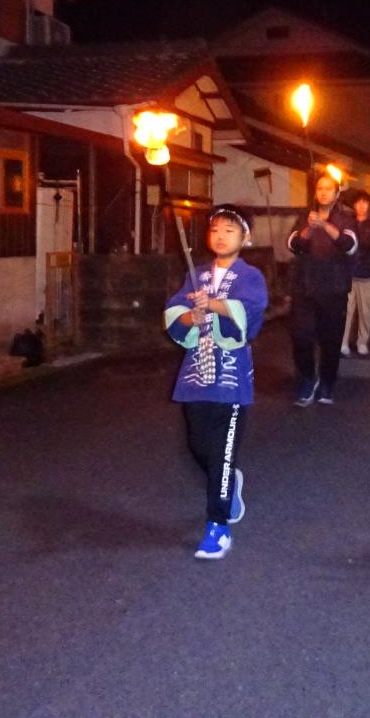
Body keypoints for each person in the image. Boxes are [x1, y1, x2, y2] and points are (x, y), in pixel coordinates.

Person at [164, 204, 269, 559]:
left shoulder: (250, 275)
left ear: (245, 238)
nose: (220, 236)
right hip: (196, 373)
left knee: (223, 454)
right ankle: (229, 482)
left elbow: (250, 312)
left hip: (231, 376)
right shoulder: (196, 275)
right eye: (215, 230)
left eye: (229, 230)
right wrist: (192, 316)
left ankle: (217, 527)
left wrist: (216, 304)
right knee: (198, 445)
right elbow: (175, 312)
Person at [287, 173, 358, 406]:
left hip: (334, 289)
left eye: (329, 189)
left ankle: (327, 381)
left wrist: (325, 226)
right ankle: (308, 378)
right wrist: (309, 228)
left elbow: (349, 245)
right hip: (304, 288)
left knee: (330, 339)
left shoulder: (346, 218)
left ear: (337, 194)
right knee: (301, 336)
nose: (323, 192)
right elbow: (294, 245)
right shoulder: (305, 217)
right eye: (319, 188)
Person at [341, 190, 370, 356]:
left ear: (368, 205)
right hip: (349, 273)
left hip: (367, 273)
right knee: (347, 311)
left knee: (365, 311)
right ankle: (343, 342)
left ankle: (362, 341)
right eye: (358, 202)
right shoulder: (347, 222)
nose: (361, 205)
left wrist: (352, 239)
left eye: (364, 202)